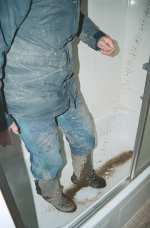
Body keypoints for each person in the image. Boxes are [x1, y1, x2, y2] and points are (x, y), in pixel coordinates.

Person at [0, 0, 116, 213]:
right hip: (27, 96)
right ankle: (49, 191)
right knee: (49, 158)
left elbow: (72, 16)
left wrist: (96, 37)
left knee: (86, 135)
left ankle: (82, 173)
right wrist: (3, 115)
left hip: (65, 85)